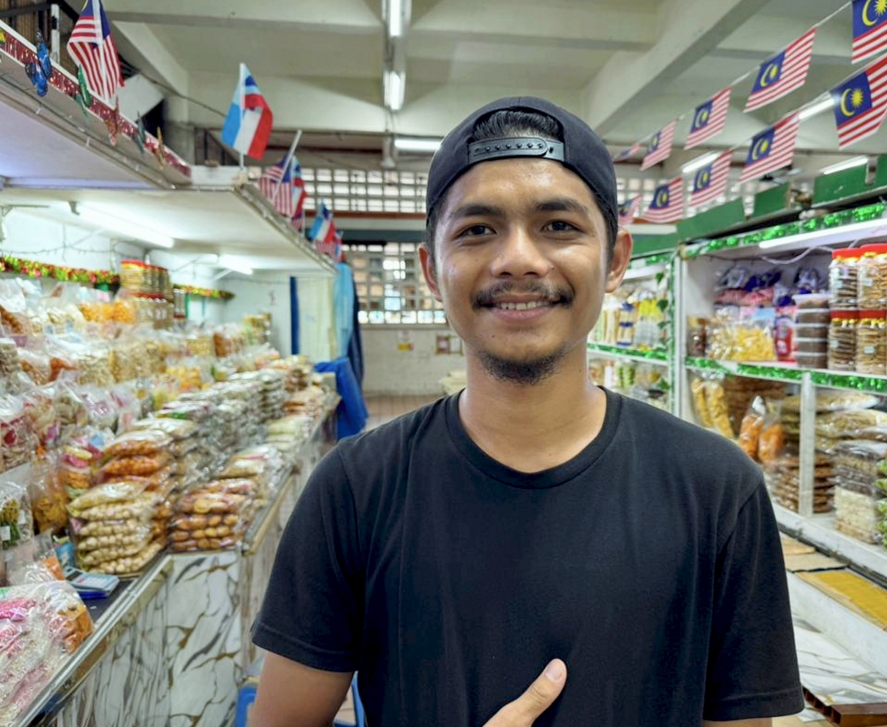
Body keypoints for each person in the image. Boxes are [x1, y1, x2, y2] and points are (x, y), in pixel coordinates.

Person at [250, 97, 804, 726]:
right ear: (432, 269)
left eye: (559, 226)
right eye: (477, 229)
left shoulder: (717, 489)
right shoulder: (354, 490)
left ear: (616, 259)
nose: (517, 258)